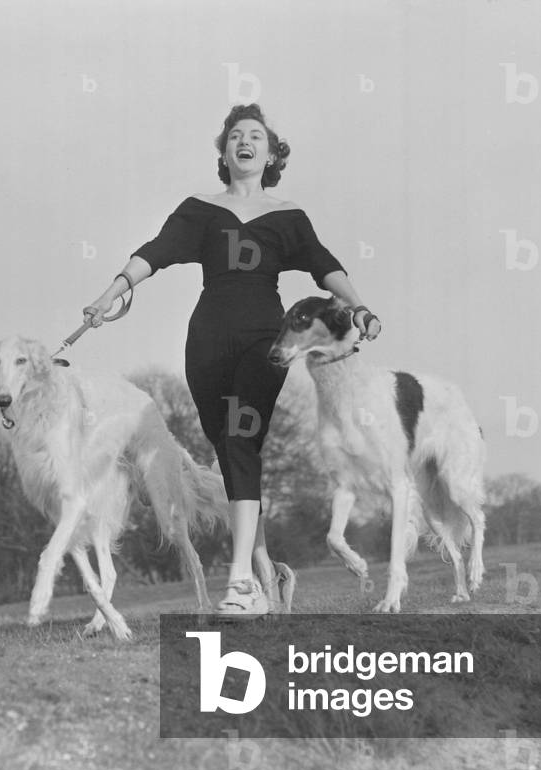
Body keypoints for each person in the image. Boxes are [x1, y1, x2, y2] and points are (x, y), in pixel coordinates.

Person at [83, 104, 382, 616]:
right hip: (205, 343)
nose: (245, 142)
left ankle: (240, 583)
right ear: (224, 151)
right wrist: (111, 293)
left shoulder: (288, 216)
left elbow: (324, 265)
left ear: (270, 154)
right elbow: (154, 251)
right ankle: (268, 577)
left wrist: (358, 307)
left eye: (256, 137)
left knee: (243, 443)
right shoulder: (199, 208)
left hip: (263, 343)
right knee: (229, 453)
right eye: (235, 136)